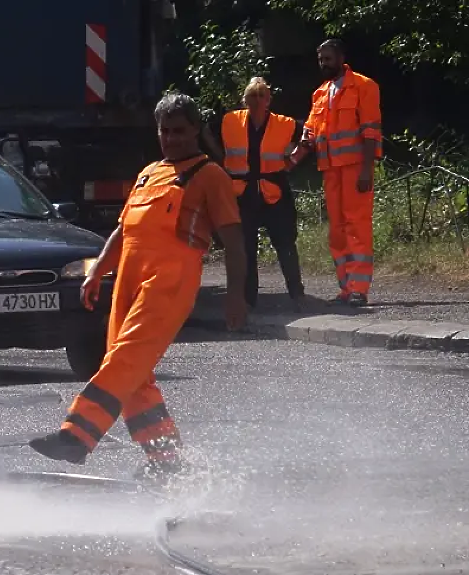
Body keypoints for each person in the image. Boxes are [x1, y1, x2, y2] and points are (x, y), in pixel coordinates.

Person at [28, 90, 248, 482]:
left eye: (180, 131)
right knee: (132, 373)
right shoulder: (149, 172)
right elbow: (122, 230)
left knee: (125, 360)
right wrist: (97, 272)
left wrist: (236, 295)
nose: (172, 138)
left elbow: (234, 240)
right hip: (128, 275)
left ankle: (77, 435)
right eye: (165, 131)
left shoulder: (209, 174)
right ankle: (165, 460)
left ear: (196, 130)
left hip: (171, 279)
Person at [288, 39, 382, 307]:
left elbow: (370, 131)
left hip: (354, 168)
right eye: (320, 59)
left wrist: (366, 169)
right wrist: (289, 162)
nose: (323, 64)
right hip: (330, 170)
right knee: (337, 231)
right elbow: (309, 135)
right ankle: (345, 288)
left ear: (341, 57)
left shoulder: (364, 86)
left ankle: (359, 289)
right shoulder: (319, 94)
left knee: (357, 226)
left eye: (328, 58)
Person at [221, 77, 305, 311]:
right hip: (242, 194)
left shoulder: (284, 123)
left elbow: (311, 135)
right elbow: (203, 132)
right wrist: (219, 164)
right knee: (246, 247)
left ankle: (297, 295)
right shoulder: (230, 120)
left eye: (261, 96)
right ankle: (249, 301)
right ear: (245, 99)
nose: (256, 100)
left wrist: (293, 160)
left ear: (269, 100)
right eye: (252, 96)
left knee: (286, 243)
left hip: (274, 192)